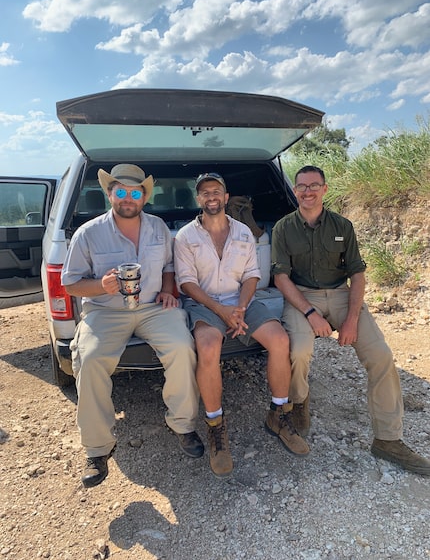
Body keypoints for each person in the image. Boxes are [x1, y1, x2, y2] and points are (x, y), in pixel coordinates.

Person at [271, 164, 430, 476]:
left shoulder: (342, 225)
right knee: (299, 350)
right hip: (302, 296)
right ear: (295, 191)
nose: (307, 191)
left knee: (381, 356)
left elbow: (357, 273)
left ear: (325, 189)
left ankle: (388, 439)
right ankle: (299, 402)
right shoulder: (282, 228)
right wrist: (311, 313)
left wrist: (352, 319)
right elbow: (281, 279)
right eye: (301, 186)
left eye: (314, 185)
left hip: (342, 296)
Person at [61, 164, 203, 488]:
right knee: (91, 359)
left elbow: (169, 265)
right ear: (109, 193)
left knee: (183, 347)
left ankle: (182, 424)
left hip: (154, 306)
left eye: (135, 192)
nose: (128, 198)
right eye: (120, 191)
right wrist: (101, 285)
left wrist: (168, 290)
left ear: (144, 196)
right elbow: (70, 284)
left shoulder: (159, 228)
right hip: (105, 311)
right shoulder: (88, 233)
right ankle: (97, 450)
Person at [174, 172, 309, 479]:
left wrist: (241, 308)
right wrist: (222, 311)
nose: (211, 197)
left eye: (216, 192)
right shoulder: (185, 237)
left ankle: (278, 414)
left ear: (225, 197)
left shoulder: (244, 233)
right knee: (207, 346)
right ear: (199, 199)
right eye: (205, 193)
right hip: (206, 304)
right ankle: (215, 427)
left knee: (279, 340)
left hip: (242, 302)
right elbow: (187, 284)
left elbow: (252, 276)